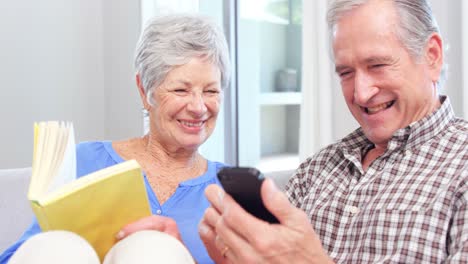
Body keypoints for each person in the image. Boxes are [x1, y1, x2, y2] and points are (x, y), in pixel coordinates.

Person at [199, 0, 468, 263]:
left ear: (432, 55)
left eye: (377, 65)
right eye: (346, 73)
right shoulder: (315, 170)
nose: (361, 93)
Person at [0, 13, 230, 264]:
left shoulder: (232, 190)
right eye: (180, 90)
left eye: (210, 91)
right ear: (144, 91)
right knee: (58, 248)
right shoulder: (83, 161)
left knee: (154, 252)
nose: (199, 107)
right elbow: (25, 254)